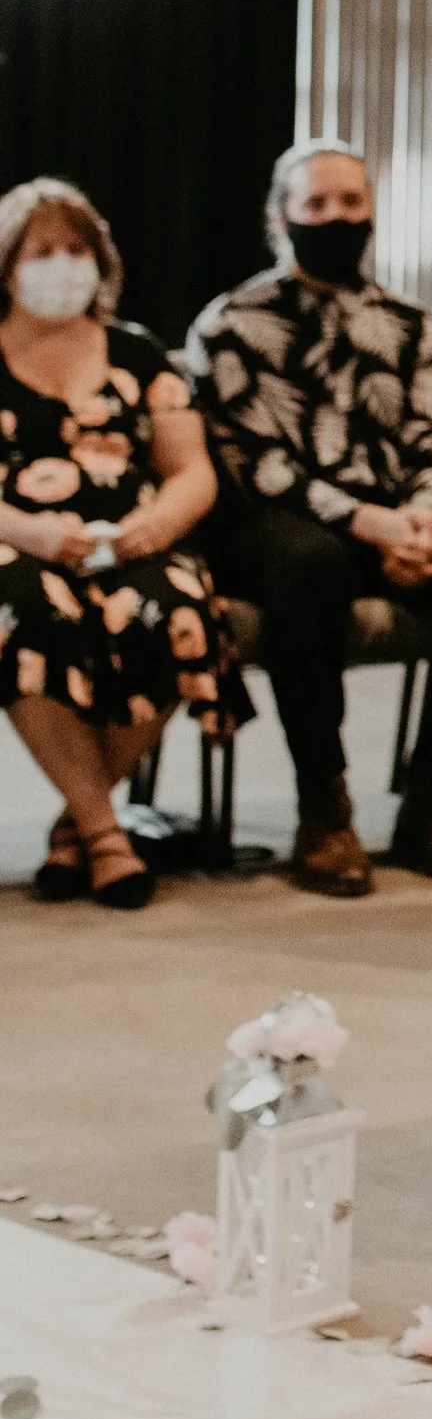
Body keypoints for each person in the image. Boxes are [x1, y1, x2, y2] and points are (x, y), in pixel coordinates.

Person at [188, 146, 432, 895]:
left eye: (351, 202)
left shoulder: (408, 324)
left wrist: (421, 519)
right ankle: (325, 805)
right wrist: (369, 526)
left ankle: (429, 796)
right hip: (280, 525)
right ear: (282, 215)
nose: (336, 218)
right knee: (309, 563)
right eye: (317, 204)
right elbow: (259, 464)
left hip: (399, 520)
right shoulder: (234, 323)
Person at [0, 175, 224, 912]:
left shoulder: (138, 354)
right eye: (43, 250)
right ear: (7, 263)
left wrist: (154, 526)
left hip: (129, 543)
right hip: (15, 542)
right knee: (26, 610)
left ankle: (77, 824)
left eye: (77, 248)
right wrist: (29, 529)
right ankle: (105, 835)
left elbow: (191, 468)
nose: (63, 264)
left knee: (182, 606)